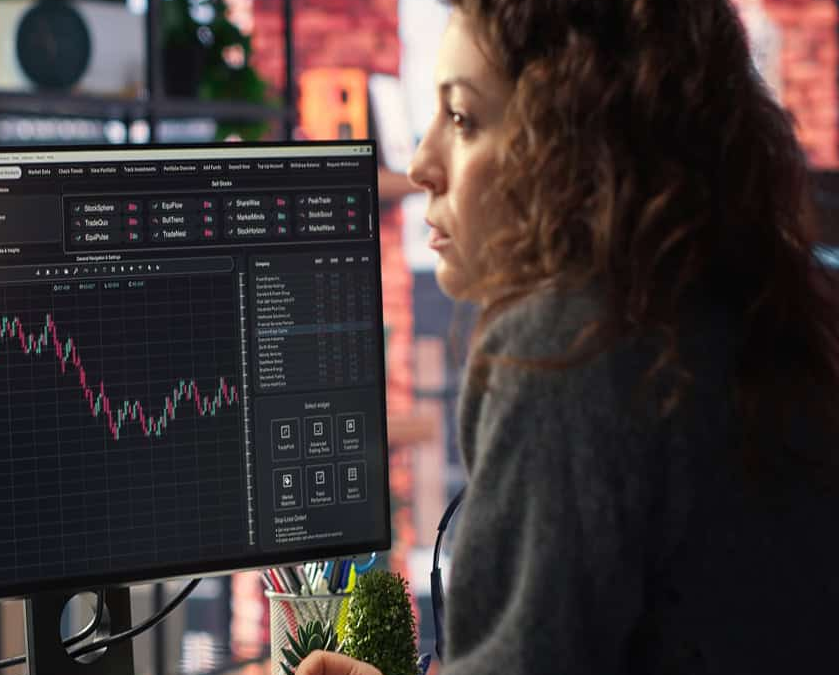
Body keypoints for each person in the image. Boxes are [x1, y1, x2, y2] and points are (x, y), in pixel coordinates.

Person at [298, 0, 839, 673]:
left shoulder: (569, 348)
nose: (421, 164)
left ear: (576, 146)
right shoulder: (752, 318)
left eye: (462, 118)